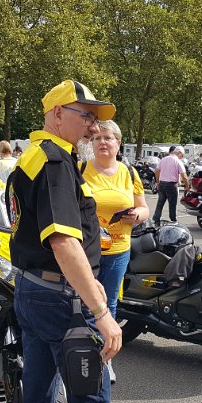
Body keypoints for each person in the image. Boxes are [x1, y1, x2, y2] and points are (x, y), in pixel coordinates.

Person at [6, 79, 122, 403]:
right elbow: (63, 242)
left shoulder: (35, 156)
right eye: (85, 114)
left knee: (37, 402)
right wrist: (101, 310)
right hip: (62, 300)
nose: (93, 125)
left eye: (95, 117)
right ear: (57, 113)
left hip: (34, 292)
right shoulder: (55, 161)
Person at [82, 120, 149, 383]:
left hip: (119, 250)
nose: (102, 142)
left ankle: (104, 359)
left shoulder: (129, 173)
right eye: (97, 138)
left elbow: (144, 208)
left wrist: (137, 215)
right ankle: (79, 357)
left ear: (118, 143)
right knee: (84, 303)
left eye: (108, 138)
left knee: (108, 305)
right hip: (86, 251)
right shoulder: (80, 169)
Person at [152, 145, 188, 226]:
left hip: (162, 183)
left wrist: (158, 182)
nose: (181, 157)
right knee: (172, 203)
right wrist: (187, 186)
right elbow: (184, 175)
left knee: (160, 202)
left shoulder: (164, 159)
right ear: (179, 152)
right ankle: (173, 219)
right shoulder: (178, 161)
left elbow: (156, 171)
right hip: (171, 184)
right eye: (182, 155)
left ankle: (156, 218)